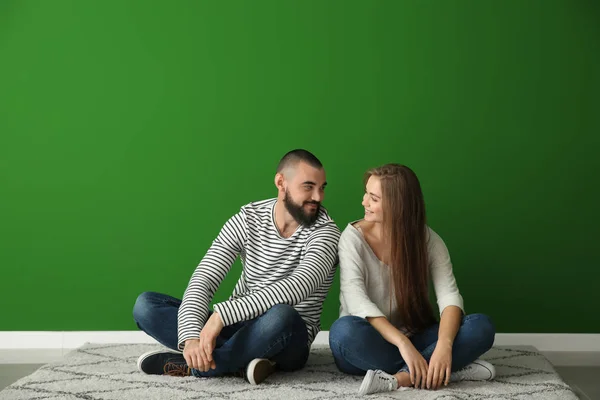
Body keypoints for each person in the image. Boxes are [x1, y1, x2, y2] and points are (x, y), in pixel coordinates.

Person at [133, 149, 340, 384]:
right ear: (281, 182)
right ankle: (240, 363)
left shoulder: (326, 233)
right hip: (238, 326)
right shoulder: (248, 218)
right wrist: (191, 337)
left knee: (283, 315)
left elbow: (299, 286)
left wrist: (220, 316)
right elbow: (206, 277)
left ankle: (199, 367)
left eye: (322, 187)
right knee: (146, 306)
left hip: (288, 336)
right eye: (308, 186)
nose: (318, 196)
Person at [328, 163, 496, 396]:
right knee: (342, 333)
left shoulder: (427, 239)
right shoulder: (352, 239)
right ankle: (447, 371)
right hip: (368, 341)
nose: (364, 202)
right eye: (366, 193)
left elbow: (449, 296)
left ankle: (404, 377)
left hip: (415, 335)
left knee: (481, 326)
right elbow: (356, 301)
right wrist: (403, 344)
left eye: (373, 198)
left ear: (398, 206)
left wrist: (445, 347)